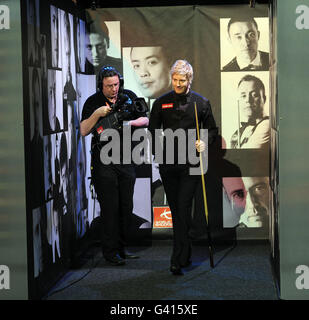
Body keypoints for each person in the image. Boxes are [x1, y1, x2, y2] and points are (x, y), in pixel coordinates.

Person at [148, 60, 218, 275]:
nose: (178, 84)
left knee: (183, 206)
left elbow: (213, 131)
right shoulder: (161, 102)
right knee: (177, 210)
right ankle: (184, 254)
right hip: (168, 166)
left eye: (182, 80)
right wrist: (161, 151)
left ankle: (176, 258)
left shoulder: (201, 103)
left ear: (190, 80)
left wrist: (204, 142)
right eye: (175, 80)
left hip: (191, 165)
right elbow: (152, 130)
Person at [80, 66, 149, 266]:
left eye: (116, 84)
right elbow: (84, 130)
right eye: (109, 86)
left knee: (126, 207)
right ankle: (110, 252)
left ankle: (121, 248)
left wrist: (132, 124)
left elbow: (145, 118)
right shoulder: (93, 102)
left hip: (126, 158)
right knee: (110, 208)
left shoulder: (128, 96)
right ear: (101, 85)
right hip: (103, 162)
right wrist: (97, 114)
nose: (114, 89)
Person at [230, 74, 269, 149]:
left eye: (254, 95)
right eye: (243, 96)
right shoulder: (240, 131)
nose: (248, 100)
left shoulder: (266, 125)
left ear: (264, 99)